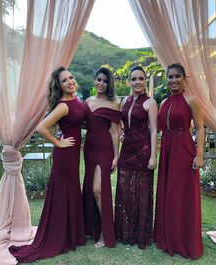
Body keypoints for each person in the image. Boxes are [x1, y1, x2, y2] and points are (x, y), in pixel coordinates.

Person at [9, 66, 86, 262]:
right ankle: (62, 236)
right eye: (64, 80)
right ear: (59, 86)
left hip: (72, 154)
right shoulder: (63, 105)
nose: (70, 81)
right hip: (65, 154)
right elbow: (41, 127)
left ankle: (71, 234)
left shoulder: (75, 100)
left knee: (70, 191)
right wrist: (59, 142)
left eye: (71, 77)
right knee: (64, 193)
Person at [153, 63, 204, 259]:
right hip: (167, 150)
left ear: (184, 78)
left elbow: (200, 128)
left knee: (181, 195)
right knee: (168, 194)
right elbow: (156, 128)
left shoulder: (191, 99)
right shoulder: (164, 101)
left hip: (183, 151)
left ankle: (183, 239)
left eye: (177, 76)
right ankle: (168, 236)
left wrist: (199, 154)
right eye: (170, 77)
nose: (173, 80)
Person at [115, 65, 158, 249]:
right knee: (124, 190)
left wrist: (153, 157)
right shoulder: (124, 100)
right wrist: (122, 133)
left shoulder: (150, 102)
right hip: (126, 150)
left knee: (142, 192)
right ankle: (125, 232)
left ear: (145, 80)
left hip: (143, 150)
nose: (137, 82)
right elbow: (119, 125)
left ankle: (140, 234)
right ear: (129, 81)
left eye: (141, 78)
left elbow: (155, 130)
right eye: (134, 79)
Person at [82, 67, 120, 248]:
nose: (101, 83)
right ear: (94, 80)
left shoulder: (114, 103)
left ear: (109, 83)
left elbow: (114, 132)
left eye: (105, 81)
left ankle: (106, 234)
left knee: (98, 190)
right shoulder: (87, 101)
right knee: (90, 189)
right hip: (89, 149)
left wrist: (116, 156)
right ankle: (92, 229)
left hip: (105, 150)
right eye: (99, 79)